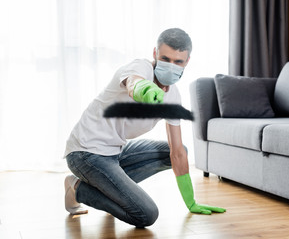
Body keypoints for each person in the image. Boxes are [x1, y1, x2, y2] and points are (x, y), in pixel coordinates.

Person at [64, 28, 226, 228]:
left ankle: (110, 189)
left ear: (187, 61)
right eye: (165, 58)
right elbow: (133, 82)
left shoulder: (173, 97)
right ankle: (76, 186)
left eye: (178, 62)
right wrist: (145, 90)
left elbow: (176, 153)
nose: (171, 66)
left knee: (179, 150)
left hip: (115, 152)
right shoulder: (140, 68)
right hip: (85, 152)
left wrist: (190, 201)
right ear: (155, 54)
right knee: (146, 214)